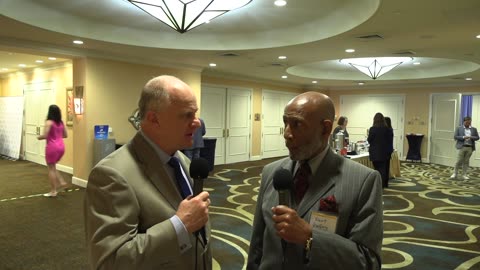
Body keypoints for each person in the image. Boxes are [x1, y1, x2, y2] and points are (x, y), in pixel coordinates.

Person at [84, 75, 212, 270]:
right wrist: (179, 226)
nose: (196, 123)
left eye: (195, 114)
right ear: (154, 119)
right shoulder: (111, 175)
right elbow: (110, 262)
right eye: (186, 115)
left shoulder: (182, 161)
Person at [248, 92, 383, 269]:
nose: (287, 133)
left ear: (325, 129)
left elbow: (368, 261)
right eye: (285, 123)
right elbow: (257, 246)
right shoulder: (272, 172)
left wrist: (310, 237)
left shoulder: (364, 181)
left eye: (297, 124)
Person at [37, 104, 68, 197]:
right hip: (61, 147)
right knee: (53, 166)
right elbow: (65, 135)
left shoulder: (49, 122)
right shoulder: (61, 123)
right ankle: (61, 181)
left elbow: (45, 135)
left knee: (51, 168)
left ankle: (53, 191)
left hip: (52, 147)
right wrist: (57, 137)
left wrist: (39, 137)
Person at [368, 112, 394, 189]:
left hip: (374, 152)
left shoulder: (372, 129)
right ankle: (381, 185)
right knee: (382, 169)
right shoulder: (387, 129)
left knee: (376, 169)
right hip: (384, 152)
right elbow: (389, 140)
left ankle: (379, 184)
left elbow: (369, 140)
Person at [384, 116, 394, 181]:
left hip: (385, 150)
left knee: (384, 165)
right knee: (387, 165)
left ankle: (385, 178)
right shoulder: (390, 129)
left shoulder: (386, 130)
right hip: (389, 149)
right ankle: (386, 178)